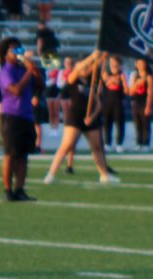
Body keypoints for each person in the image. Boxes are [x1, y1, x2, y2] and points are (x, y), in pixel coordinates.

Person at [45, 51, 118, 185]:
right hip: (74, 118)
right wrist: (92, 57)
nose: (85, 69)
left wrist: (103, 57)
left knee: (97, 147)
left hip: (89, 119)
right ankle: (51, 175)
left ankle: (104, 175)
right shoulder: (73, 79)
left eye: (86, 67)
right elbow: (79, 68)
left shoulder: (89, 82)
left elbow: (98, 104)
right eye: (83, 66)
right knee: (66, 146)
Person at [0, 37, 42, 201]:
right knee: (10, 153)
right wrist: (29, 72)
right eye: (15, 51)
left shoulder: (24, 69)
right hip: (11, 116)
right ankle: (8, 190)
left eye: (20, 50)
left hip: (26, 115)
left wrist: (34, 71)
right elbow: (15, 90)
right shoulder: (5, 71)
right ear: (6, 54)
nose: (18, 54)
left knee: (23, 155)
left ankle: (20, 189)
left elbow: (40, 86)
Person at [100, 55, 128, 153]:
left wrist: (118, 80)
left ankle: (119, 143)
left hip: (118, 101)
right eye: (111, 62)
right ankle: (107, 143)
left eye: (114, 62)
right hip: (107, 102)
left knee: (119, 123)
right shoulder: (106, 73)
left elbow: (126, 89)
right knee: (107, 123)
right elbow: (105, 79)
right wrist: (110, 79)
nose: (112, 64)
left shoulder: (122, 75)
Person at [127, 57, 153, 152]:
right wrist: (137, 83)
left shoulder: (149, 76)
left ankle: (146, 143)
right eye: (139, 63)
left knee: (145, 123)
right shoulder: (134, 75)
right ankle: (138, 143)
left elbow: (150, 92)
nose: (141, 65)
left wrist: (148, 106)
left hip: (144, 102)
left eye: (143, 63)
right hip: (136, 102)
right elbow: (130, 92)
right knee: (137, 123)